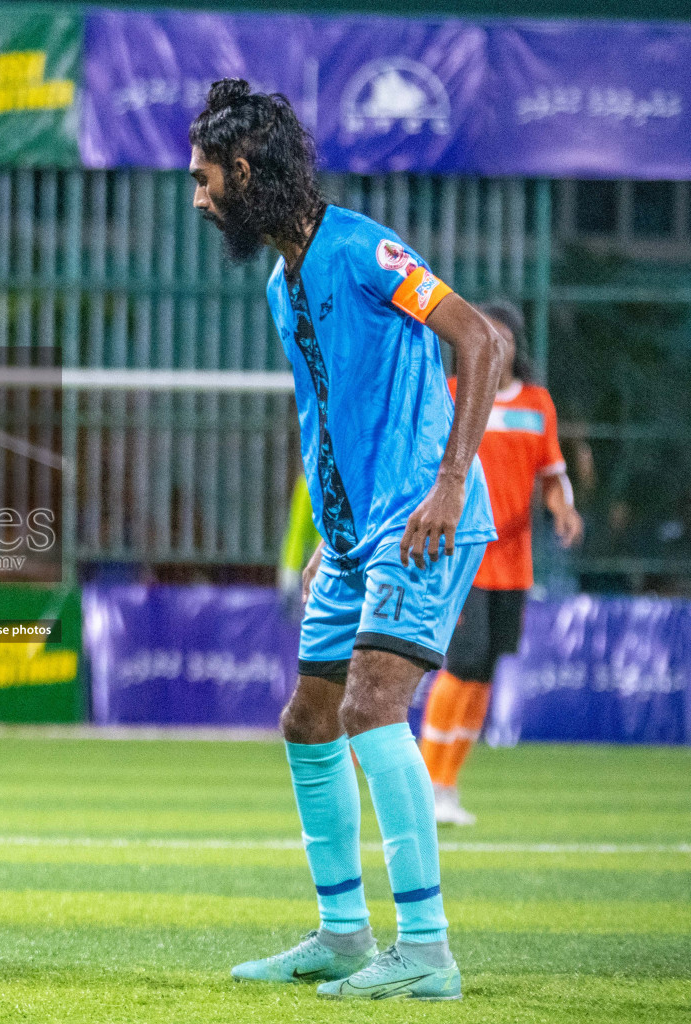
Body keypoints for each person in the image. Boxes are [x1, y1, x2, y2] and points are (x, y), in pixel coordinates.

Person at [190, 79, 502, 1000]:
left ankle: (428, 951)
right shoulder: (283, 282)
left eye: (207, 179)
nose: (199, 197)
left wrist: (447, 485)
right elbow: (327, 419)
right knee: (308, 717)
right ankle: (339, 932)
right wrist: (330, 526)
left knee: (371, 708)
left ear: (246, 172)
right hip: (355, 535)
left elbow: (479, 340)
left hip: (422, 519)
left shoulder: (366, 248)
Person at [420, 301, 583, 825]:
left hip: (515, 563)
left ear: (514, 346)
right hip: (461, 558)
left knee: (485, 672)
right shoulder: (449, 396)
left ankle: (447, 787)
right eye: (485, 333)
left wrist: (564, 509)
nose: (496, 343)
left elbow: (553, 475)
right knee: (461, 665)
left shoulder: (538, 403)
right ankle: (423, 782)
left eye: (504, 336)